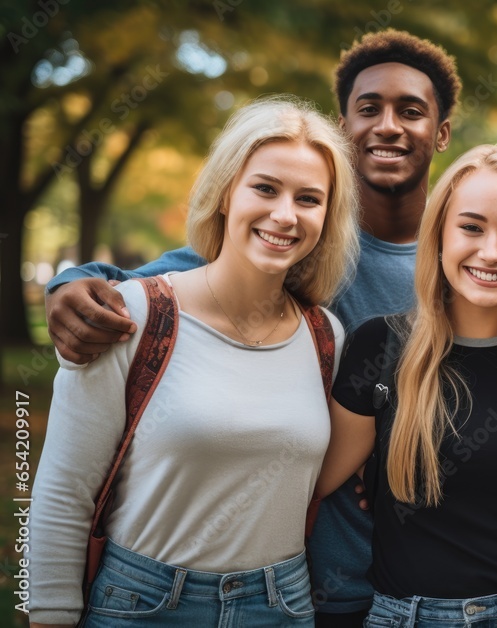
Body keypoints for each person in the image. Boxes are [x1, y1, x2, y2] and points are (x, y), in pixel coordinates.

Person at [41, 30, 461, 627]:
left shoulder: (464, 266)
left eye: (411, 111)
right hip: (302, 583)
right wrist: (68, 283)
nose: (388, 126)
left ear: (441, 133)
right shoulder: (287, 246)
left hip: (409, 586)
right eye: (369, 109)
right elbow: (156, 281)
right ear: (343, 127)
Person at [28, 95, 359, 626]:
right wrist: (50, 615)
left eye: (309, 199)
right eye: (265, 188)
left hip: (284, 604)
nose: (284, 214)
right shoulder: (135, 314)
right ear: (227, 192)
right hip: (142, 603)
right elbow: (63, 493)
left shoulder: (326, 338)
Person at [315, 144, 497, 627]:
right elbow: (309, 484)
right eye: (471, 226)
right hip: (409, 615)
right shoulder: (380, 348)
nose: (491, 251)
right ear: (439, 233)